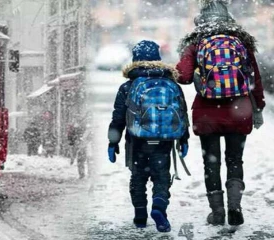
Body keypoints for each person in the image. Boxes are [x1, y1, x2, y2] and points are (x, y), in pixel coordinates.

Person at [176, 0, 265, 226]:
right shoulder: (241, 42)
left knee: (211, 162)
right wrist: (258, 107)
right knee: (235, 159)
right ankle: (235, 206)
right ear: (228, 18)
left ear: (201, 19)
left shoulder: (196, 43)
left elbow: (183, 77)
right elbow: (255, 78)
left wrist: (194, 72)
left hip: (208, 113)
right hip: (239, 110)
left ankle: (217, 213)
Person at [108, 40, 190, 232]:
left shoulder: (128, 86)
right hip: (163, 141)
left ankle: (140, 215)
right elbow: (182, 114)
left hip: (137, 141)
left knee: (138, 178)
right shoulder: (171, 83)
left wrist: (113, 142)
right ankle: (159, 207)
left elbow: (118, 117)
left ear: (135, 59)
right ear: (158, 58)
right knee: (161, 177)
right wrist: (184, 139)